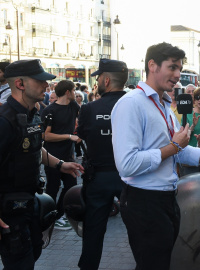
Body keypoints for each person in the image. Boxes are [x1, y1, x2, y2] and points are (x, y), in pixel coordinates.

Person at [111, 42, 200, 269]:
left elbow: (181, 151)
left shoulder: (162, 105)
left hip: (166, 200)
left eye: (179, 68)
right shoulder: (131, 104)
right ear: (152, 65)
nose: (177, 75)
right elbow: (127, 165)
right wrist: (173, 147)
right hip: (143, 202)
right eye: (172, 67)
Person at [0, 59, 82, 269]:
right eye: (40, 81)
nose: (47, 86)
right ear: (20, 84)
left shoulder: (32, 113)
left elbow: (34, 147)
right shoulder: (4, 120)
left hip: (29, 203)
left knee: (34, 251)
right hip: (8, 210)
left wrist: (59, 164)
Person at [76, 59, 128, 270]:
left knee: (93, 231)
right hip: (129, 176)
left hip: (98, 177)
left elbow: (81, 135)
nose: (96, 81)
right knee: (138, 228)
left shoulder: (90, 108)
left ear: (106, 80)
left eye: (98, 78)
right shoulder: (134, 105)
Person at [41, 80, 81, 230]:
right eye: (74, 90)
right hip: (52, 156)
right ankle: (48, 218)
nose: (76, 93)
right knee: (52, 187)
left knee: (71, 185)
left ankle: (58, 215)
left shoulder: (73, 106)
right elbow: (46, 136)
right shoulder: (50, 111)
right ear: (67, 92)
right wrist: (69, 136)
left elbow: (82, 117)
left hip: (68, 155)